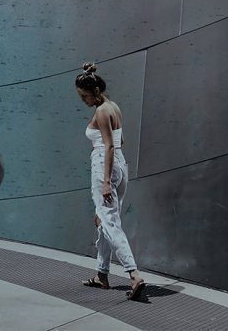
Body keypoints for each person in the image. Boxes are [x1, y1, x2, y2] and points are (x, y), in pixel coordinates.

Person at [76, 62, 146, 300]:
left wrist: (105, 181)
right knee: (103, 220)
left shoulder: (101, 112)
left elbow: (108, 146)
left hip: (104, 167)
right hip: (120, 166)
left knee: (110, 222)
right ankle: (102, 274)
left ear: (94, 92)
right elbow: (120, 141)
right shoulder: (113, 106)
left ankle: (133, 273)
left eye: (84, 96)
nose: (83, 100)